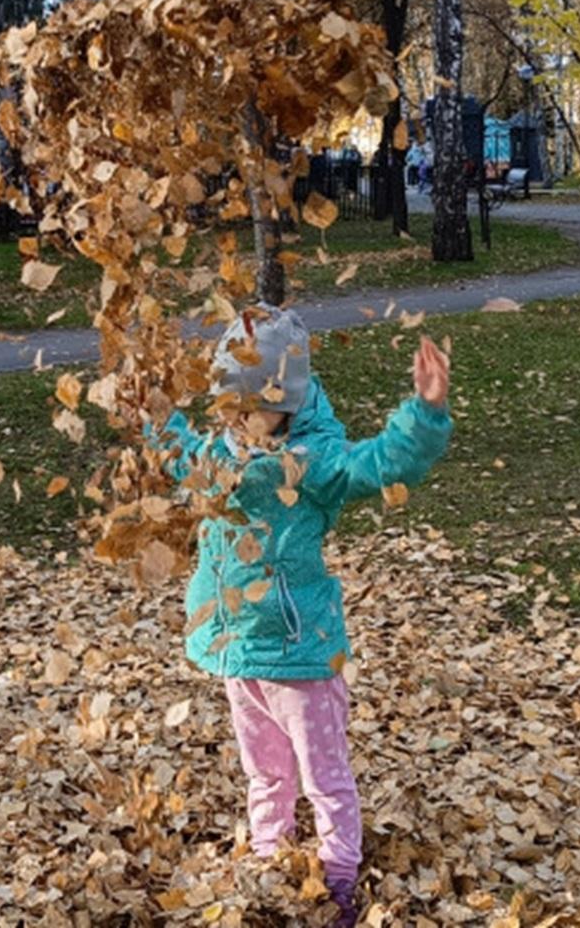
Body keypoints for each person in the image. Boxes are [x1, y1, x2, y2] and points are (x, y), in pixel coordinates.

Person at [154, 305, 452, 926]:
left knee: (324, 778)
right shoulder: (223, 453)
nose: (236, 422)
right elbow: (182, 456)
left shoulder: (315, 462)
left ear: (284, 402)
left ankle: (339, 877)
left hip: (302, 658)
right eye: (227, 410)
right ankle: (271, 861)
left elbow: (380, 464)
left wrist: (423, 415)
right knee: (263, 773)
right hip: (240, 650)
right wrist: (153, 414)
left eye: (248, 409)